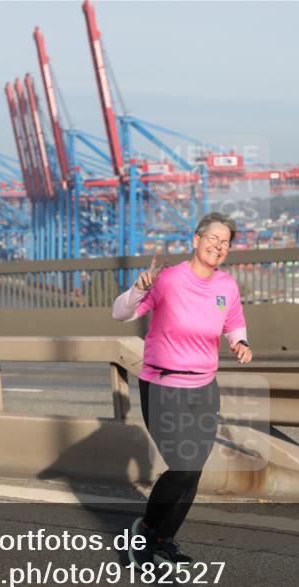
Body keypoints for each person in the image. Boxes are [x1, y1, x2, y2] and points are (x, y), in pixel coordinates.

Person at [111, 212, 252, 568]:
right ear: (196, 239)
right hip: (163, 385)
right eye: (213, 239)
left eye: (225, 243)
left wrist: (240, 342)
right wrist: (140, 287)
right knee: (184, 465)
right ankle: (143, 533)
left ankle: (163, 539)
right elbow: (121, 314)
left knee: (193, 472)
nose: (218, 247)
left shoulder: (227, 286)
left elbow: (233, 322)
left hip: (204, 387)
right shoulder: (169, 279)